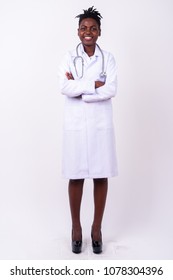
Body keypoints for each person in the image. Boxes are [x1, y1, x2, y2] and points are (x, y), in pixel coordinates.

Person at [58, 6, 118, 254]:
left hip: (100, 125)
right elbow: (64, 87)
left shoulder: (109, 58)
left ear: (100, 31)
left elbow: (111, 90)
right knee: (76, 174)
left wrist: (80, 88)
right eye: (84, 28)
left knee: (101, 174)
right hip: (75, 125)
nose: (88, 32)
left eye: (93, 28)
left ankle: (96, 228)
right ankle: (76, 228)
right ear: (78, 31)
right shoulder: (68, 57)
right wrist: (94, 85)